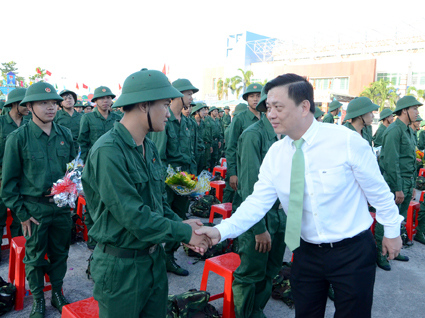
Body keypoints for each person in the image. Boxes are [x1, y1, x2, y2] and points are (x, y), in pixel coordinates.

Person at [195, 73, 403, 318]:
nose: (270, 114)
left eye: (278, 107)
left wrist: (391, 231)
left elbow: (378, 192)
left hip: (352, 252)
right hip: (305, 252)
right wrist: (220, 231)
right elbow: (257, 202)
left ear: (304, 106)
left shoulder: (345, 142)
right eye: (268, 107)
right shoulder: (276, 153)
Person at [81, 69, 210, 318]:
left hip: (153, 260)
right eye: (164, 104)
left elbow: (158, 201)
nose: (168, 111)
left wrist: (180, 222)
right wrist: (184, 233)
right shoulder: (108, 151)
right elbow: (133, 216)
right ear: (143, 106)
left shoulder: (148, 146)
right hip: (121, 268)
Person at [2, 82, 76, 317]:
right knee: (34, 258)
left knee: (60, 254)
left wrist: (74, 194)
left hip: (61, 208)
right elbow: (8, 185)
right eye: (44, 103)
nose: (51, 107)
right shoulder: (18, 138)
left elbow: (74, 170)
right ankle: (37, 301)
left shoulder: (65, 134)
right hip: (34, 210)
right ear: (30, 106)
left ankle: (56, 293)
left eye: (54, 102)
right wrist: (22, 214)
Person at [232, 90, 286, 318]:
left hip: (279, 217)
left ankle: (256, 310)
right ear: (266, 108)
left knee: (271, 269)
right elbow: (249, 188)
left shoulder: (283, 136)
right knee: (250, 274)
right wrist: (259, 228)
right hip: (259, 219)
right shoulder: (253, 135)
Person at [150, 78, 198, 276]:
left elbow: (193, 152)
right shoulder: (165, 121)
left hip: (184, 176)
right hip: (168, 177)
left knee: (181, 216)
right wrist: (167, 181)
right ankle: (156, 257)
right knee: (164, 216)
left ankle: (169, 255)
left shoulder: (188, 122)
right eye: (188, 93)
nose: (191, 97)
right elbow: (158, 156)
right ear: (177, 95)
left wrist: (193, 181)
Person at [377, 95, 422, 270]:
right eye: (414, 109)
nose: (417, 112)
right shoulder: (394, 130)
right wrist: (398, 188)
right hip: (396, 182)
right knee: (387, 218)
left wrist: (411, 186)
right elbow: (390, 161)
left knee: (398, 219)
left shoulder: (408, 130)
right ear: (404, 111)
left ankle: (392, 251)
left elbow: (410, 159)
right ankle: (380, 254)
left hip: (407, 182)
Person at [0, 88, 29, 240]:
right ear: (15, 104)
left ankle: (19, 252)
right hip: (2, 179)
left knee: (21, 219)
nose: (29, 108)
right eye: (25, 104)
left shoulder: (30, 124)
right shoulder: (1, 123)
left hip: (24, 180)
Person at [227, 84, 262, 194]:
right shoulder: (240, 119)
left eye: (258, 96)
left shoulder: (267, 118)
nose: (255, 99)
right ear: (247, 99)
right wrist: (232, 173)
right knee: (243, 200)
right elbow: (231, 147)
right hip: (244, 170)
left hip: (263, 168)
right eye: (251, 96)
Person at [78, 86, 120, 162]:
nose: (105, 101)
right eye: (101, 98)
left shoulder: (117, 118)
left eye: (108, 97)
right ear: (95, 101)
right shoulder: (87, 117)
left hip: (115, 157)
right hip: (95, 158)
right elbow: (83, 141)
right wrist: (84, 160)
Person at [222, 103, 248, 204]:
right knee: (230, 188)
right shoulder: (230, 129)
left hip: (241, 162)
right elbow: (230, 149)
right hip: (234, 162)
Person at [204, 106, 223, 171]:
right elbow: (208, 132)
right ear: (211, 112)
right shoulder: (208, 120)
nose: (216, 112)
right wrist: (210, 144)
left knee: (215, 157)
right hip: (210, 141)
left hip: (216, 141)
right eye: (215, 111)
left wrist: (220, 140)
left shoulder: (217, 120)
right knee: (209, 158)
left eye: (217, 111)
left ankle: (213, 171)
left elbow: (219, 130)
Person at [191, 102, 208, 175]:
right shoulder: (191, 122)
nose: (205, 112)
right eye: (203, 110)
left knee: (201, 171)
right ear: (197, 111)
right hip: (195, 151)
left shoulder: (202, 123)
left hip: (202, 150)